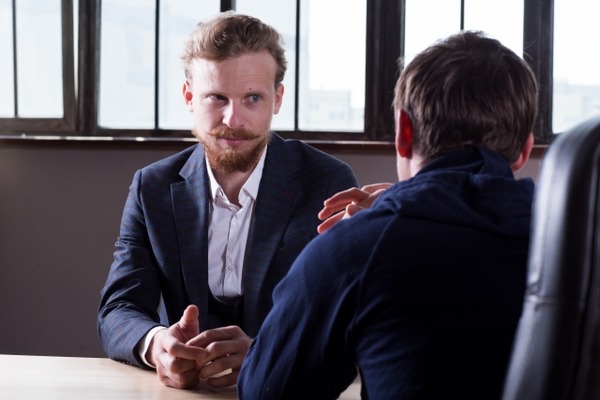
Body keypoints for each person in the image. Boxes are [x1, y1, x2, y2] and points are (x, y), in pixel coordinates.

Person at [237, 30, 538, 399]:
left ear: (403, 133)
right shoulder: (579, 241)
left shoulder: (355, 247)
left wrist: (369, 232)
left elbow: (265, 391)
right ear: (524, 150)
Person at [97, 11, 358, 390]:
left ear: (277, 99)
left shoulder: (328, 181)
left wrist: (267, 354)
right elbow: (118, 309)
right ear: (189, 97)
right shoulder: (152, 188)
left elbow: (347, 317)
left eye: (253, 98)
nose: (233, 119)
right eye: (216, 97)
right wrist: (157, 346)